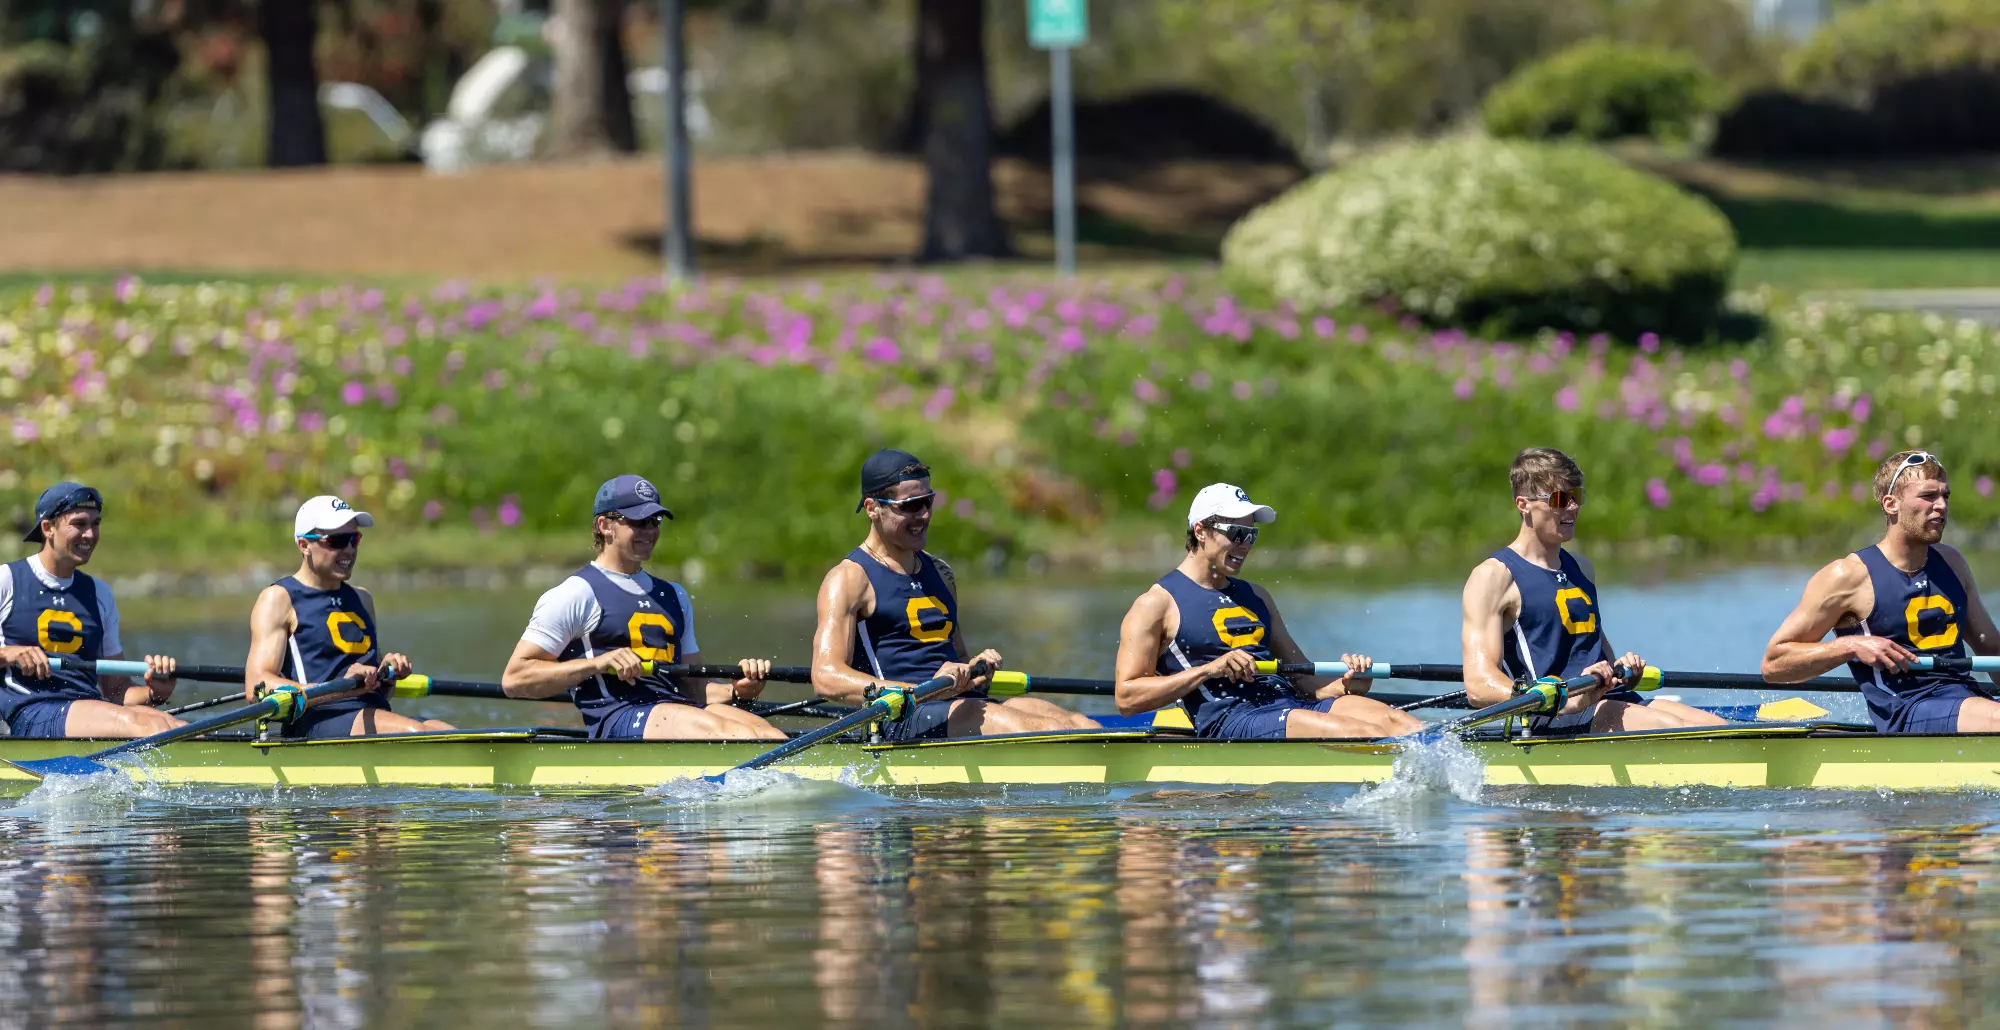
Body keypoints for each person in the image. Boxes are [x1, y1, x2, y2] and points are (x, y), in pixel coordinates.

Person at [811, 448, 1098, 740]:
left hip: (957, 707)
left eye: (928, 502)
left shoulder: (941, 573)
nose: (923, 515)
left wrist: (974, 671)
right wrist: (923, 692)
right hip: (902, 717)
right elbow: (826, 677)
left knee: (1077, 723)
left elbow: (957, 657)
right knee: (1046, 731)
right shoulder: (848, 579)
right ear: (873, 508)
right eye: (911, 506)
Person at [1112, 483, 1421, 738]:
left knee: (1404, 725)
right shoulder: (1156, 604)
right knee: (1357, 733)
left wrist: (1350, 684)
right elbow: (1126, 698)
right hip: (1234, 719)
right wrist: (1210, 669)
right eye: (1236, 533)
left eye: (1251, 535)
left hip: (1289, 705)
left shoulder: (1256, 595)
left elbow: (1304, 678)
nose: (1245, 545)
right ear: (1201, 531)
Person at [501, 475, 782, 740]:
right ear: (604, 526)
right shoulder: (577, 593)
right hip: (619, 719)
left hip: (677, 710)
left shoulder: (674, 595)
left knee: (766, 734)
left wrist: (738, 691)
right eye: (638, 521)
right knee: (737, 737)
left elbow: (693, 689)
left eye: (654, 521)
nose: (650, 531)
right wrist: (598, 664)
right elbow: (515, 679)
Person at [1461, 448, 1721, 734]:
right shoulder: (1494, 577)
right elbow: (1478, 685)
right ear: (1524, 505)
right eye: (1560, 499)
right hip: (1556, 717)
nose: (1572, 507)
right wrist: (1553, 696)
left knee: (1714, 725)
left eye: (1576, 497)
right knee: (1672, 728)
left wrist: (1623, 672)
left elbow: (1597, 656)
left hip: (1607, 701)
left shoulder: (1582, 568)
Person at [1763, 451, 2000, 732]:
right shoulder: (1848, 576)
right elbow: (1773, 664)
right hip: (1907, 708)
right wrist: (1849, 646)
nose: (1940, 506)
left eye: (1945, 496)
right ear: (1891, 504)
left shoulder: (1951, 562)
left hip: (1966, 697)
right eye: (1928, 496)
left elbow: (1991, 648)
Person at [245, 495, 455, 738]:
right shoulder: (279, 599)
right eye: (337, 541)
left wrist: (386, 674)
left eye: (354, 539)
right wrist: (338, 690)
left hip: (369, 716)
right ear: (304, 545)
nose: (349, 550)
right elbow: (256, 686)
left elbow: (373, 692)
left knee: (441, 729)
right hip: (317, 721)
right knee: (418, 732)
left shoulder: (363, 599)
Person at [0, 482, 182, 738]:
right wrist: (8, 654)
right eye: (79, 524)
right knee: (150, 728)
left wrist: (155, 692)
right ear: (48, 528)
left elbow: (117, 692)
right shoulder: (7, 580)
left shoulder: (99, 594)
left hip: (90, 710)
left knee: (182, 729)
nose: (90, 535)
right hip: (33, 712)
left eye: (95, 524)